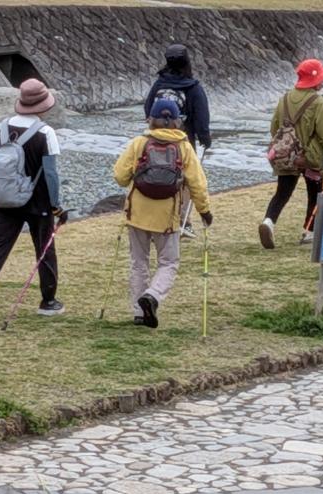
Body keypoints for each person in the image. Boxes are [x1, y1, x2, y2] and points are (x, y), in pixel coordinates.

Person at [0, 79, 68, 325]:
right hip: (38, 200)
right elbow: (51, 174)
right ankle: (48, 301)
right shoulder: (45, 132)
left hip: (7, 197)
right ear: (43, 105)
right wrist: (56, 204)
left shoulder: (4, 126)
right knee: (44, 248)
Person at [114, 99, 212, 329]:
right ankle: (153, 295)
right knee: (168, 262)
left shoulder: (139, 143)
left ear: (151, 119)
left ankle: (139, 312)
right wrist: (204, 210)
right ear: (177, 121)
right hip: (167, 215)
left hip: (137, 213)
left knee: (139, 263)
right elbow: (198, 183)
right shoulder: (184, 146)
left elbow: (119, 176)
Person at [259, 58, 323, 250]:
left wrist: (287, 147)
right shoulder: (318, 102)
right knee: (315, 193)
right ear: (316, 80)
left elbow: (274, 128)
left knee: (282, 192)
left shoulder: (285, 98)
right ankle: (309, 232)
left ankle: (268, 222)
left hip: (287, 155)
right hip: (310, 158)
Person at [144, 44, 211, 240]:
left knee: (156, 175)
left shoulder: (159, 85)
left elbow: (148, 109)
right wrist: (205, 138)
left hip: (154, 140)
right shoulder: (193, 87)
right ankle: (183, 222)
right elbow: (201, 116)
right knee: (187, 180)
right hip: (183, 141)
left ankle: (159, 219)